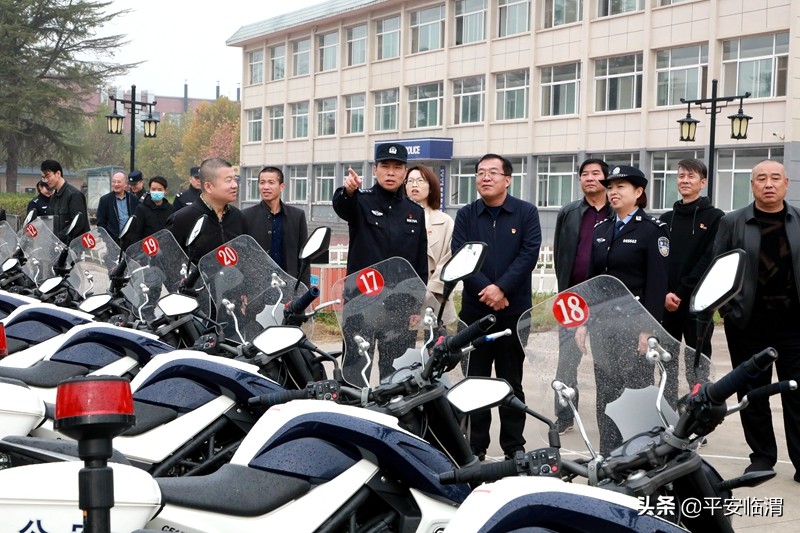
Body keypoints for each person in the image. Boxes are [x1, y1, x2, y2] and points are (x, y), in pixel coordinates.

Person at [712, 159, 800, 481]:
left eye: (775, 178)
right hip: (748, 325)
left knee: (797, 393)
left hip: (794, 325)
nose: (768, 184)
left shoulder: (798, 219)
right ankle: (762, 457)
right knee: (752, 393)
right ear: (752, 186)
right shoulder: (733, 222)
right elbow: (717, 270)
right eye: (760, 178)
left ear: (786, 184)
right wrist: (728, 312)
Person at [452, 153, 541, 460]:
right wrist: (488, 291)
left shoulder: (526, 213)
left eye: (492, 172)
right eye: (480, 172)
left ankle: (514, 447)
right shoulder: (466, 215)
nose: (485, 177)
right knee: (475, 381)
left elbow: (528, 255)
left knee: (510, 381)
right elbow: (461, 257)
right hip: (475, 315)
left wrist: (501, 288)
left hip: (513, 314)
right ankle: (475, 447)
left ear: (507, 179)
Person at [585, 164, 670, 455]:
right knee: (605, 393)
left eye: (621, 187)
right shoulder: (602, 229)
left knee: (635, 391)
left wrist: (648, 330)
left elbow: (658, 285)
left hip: (635, 328)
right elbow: (593, 283)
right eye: (610, 187)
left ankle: (637, 454)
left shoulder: (651, 231)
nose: (613, 192)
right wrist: (585, 322)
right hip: (603, 326)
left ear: (639, 192)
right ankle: (608, 453)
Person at [332, 142, 428, 383]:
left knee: (395, 377)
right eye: (385, 166)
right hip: (361, 304)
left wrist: (416, 306)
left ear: (405, 173)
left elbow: (419, 263)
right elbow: (342, 205)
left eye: (397, 167)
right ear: (375, 170)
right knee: (355, 372)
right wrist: (349, 190)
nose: (391, 172)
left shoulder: (415, 212)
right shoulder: (360, 201)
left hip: (399, 307)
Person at [552, 158, 612, 434]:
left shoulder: (617, 210)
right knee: (566, 361)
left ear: (607, 179)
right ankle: (564, 416)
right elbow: (560, 254)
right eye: (584, 174)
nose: (589, 178)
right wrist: (563, 290)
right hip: (572, 299)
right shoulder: (570, 212)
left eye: (595, 173)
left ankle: (610, 417)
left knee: (606, 362)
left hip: (607, 300)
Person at [658, 159, 725, 405]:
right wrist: (665, 292)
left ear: (703, 182)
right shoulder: (666, 218)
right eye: (681, 176)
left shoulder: (715, 217)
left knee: (697, 362)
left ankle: (698, 413)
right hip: (667, 302)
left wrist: (682, 291)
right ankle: (667, 413)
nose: (685, 180)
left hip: (699, 303)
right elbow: (659, 259)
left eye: (691, 176)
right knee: (667, 359)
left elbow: (709, 258)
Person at [166, 157, 245, 264]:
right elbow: (169, 264)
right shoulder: (182, 219)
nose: (235, 185)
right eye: (228, 180)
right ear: (208, 186)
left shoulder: (238, 217)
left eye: (235, 179)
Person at [404, 164, 456, 322]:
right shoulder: (396, 217)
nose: (414, 185)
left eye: (420, 180)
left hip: (434, 297)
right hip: (403, 296)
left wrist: (431, 289)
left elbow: (450, 256)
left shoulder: (445, 221)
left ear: (431, 187)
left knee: (435, 342)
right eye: (410, 181)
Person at [243, 166, 309, 286]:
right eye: (262, 183)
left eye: (271, 182)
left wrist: (304, 290)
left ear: (282, 186)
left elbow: (304, 257)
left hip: (288, 284)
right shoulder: (246, 216)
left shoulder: (297, 216)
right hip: (257, 287)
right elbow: (242, 257)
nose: (266, 187)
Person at [40, 159, 90, 243]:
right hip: (57, 247)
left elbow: (78, 224)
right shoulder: (53, 197)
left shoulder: (74, 195)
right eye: (43, 178)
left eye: (48, 176)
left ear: (58, 174)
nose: (46, 181)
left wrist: (58, 239)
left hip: (73, 248)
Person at [96, 171, 139, 246]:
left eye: (119, 182)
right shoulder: (105, 200)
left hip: (131, 241)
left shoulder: (133, 199)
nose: (116, 184)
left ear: (126, 184)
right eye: (114, 182)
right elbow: (101, 222)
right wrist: (106, 239)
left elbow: (138, 219)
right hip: (113, 241)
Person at [129, 176, 174, 243]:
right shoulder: (141, 209)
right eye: (153, 189)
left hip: (166, 248)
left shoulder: (171, 209)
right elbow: (135, 233)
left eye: (159, 190)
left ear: (165, 190)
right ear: (149, 190)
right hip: (146, 249)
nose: (156, 192)